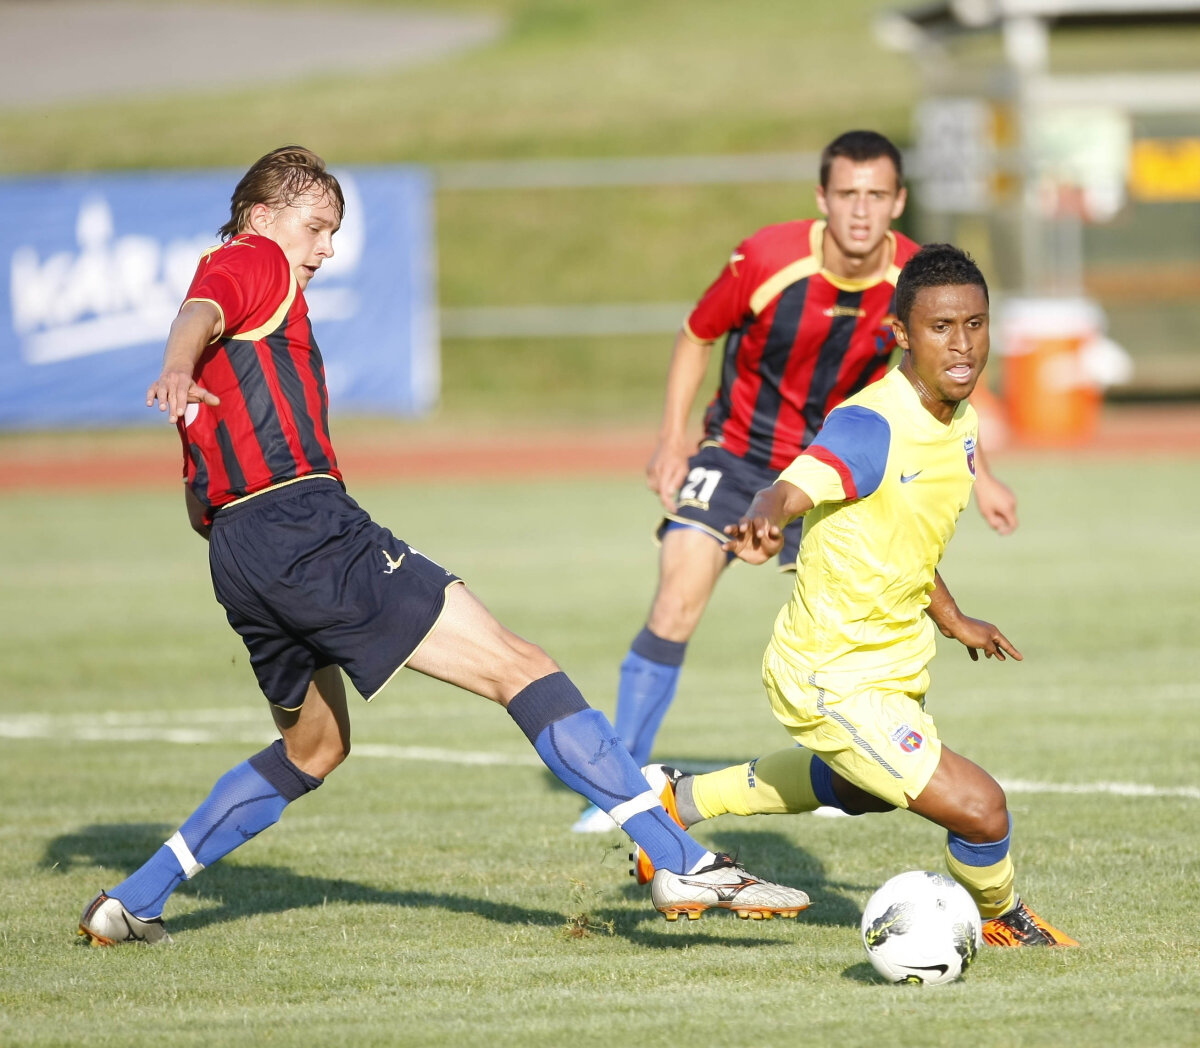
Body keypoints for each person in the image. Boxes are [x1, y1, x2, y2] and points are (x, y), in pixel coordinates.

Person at [75, 146, 812, 945]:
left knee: (315, 747)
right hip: (308, 530)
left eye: (334, 233)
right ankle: (681, 860)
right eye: (316, 227)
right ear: (260, 218)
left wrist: (200, 404)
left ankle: (134, 900)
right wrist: (175, 364)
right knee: (520, 667)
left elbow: (199, 497)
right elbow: (200, 311)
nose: (326, 249)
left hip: (238, 553)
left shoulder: (244, 339)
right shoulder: (255, 260)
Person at [631, 244, 1077, 947]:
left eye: (975, 324)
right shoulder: (871, 425)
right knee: (981, 809)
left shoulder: (960, 420)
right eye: (940, 327)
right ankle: (1002, 917)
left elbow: (903, 537)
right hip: (829, 673)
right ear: (901, 333)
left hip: (893, 659)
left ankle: (677, 799)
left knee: (862, 791)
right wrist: (765, 515)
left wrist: (953, 617)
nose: (962, 345)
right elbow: (790, 487)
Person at [573, 130, 1017, 833]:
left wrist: (982, 476)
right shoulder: (767, 258)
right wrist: (670, 437)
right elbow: (697, 333)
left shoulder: (918, 279)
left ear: (898, 201)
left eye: (877, 195)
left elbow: (938, 396)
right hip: (740, 452)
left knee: (852, 609)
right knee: (678, 592)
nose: (862, 210)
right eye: (848, 194)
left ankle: (848, 759)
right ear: (822, 199)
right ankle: (619, 788)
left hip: (841, 467)